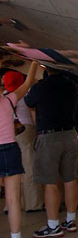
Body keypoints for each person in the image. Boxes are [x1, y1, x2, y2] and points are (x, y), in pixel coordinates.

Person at [24, 69, 78, 238]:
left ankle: (53, 225)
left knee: (50, 183)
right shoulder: (71, 86)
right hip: (70, 135)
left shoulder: (41, 87)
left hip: (49, 137)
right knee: (70, 179)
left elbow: (28, 102)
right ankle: (71, 220)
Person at [0, 62, 38, 238]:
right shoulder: (9, 100)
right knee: (13, 198)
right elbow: (28, 82)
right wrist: (34, 64)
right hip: (10, 149)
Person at [2, 69, 43, 213]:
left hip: (8, 134)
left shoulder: (3, 97)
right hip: (26, 130)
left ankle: (11, 205)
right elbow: (33, 115)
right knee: (29, 167)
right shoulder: (26, 96)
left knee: (11, 172)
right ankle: (33, 204)